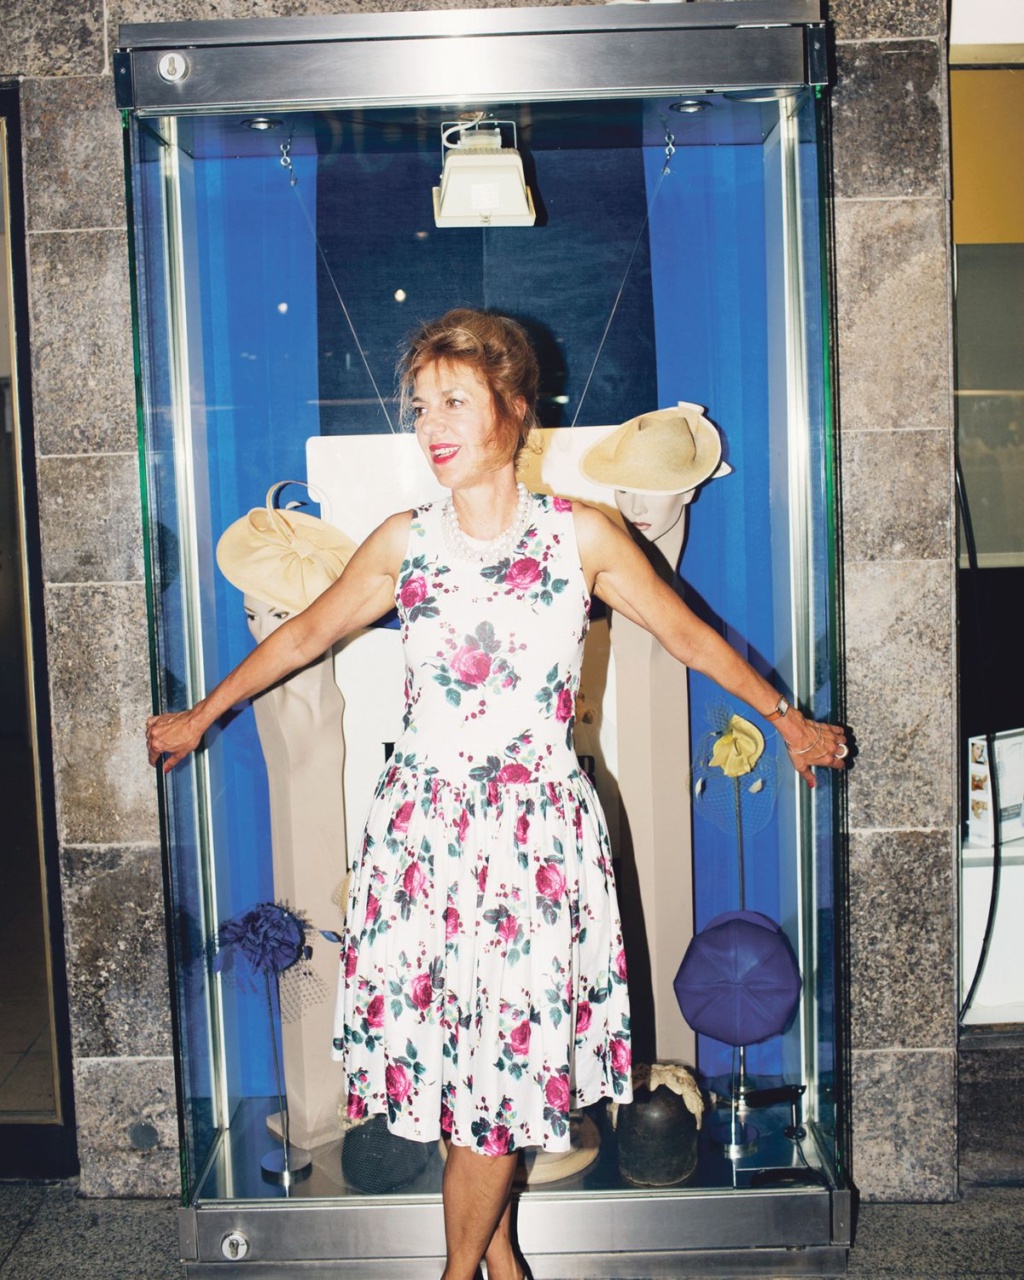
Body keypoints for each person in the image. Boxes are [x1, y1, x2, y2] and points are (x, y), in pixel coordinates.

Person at [147, 308, 848, 1280]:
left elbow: (687, 634)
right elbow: (305, 633)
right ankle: (503, 1263)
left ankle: (457, 1273)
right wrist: (201, 712)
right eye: (422, 405)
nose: (431, 424)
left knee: (498, 1084)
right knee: (455, 1073)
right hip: (423, 838)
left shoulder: (583, 537)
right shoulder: (405, 541)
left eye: (455, 402)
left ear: (514, 411)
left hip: (530, 842)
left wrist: (785, 715)